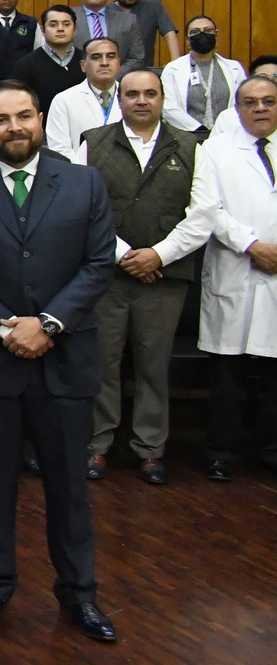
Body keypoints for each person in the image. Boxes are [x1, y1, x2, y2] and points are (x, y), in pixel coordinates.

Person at [0, 82, 119, 641]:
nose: (14, 128)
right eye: (0, 119)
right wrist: (7, 326)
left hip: (65, 358)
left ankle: (80, 595)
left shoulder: (83, 182)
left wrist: (50, 324)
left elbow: (98, 263)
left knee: (68, 485)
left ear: (40, 119)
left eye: (23, 116)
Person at [74, 68, 205, 485]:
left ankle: (151, 450)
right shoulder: (94, 142)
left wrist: (158, 256)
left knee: (153, 365)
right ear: (120, 99)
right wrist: (126, 255)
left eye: (150, 93)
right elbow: (81, 207)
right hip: (106, 277)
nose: (142, 101)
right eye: (132, 94)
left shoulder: (191, 146)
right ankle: (98, 446)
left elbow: (202, 215)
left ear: (163, 98)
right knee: (102, 364)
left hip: (165, 278)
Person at [190, 77, 277, 480]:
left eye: (269, 101)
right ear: (237, 109)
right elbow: (209, 208)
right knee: (227, 371)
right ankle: (221, 452)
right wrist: (251, 245)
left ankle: (271, 449)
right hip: (236, 265)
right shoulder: (215, 150)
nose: (260, 108)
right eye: (250, 102)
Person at [162, 14, 246, 136]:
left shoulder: (234, 68)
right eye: (195, 32)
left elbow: (241, 103)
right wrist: (199, 130)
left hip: (228, 135)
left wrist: (221, 131)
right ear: (187, 40)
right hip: (187, 136)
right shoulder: (172, 69)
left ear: (216, 35)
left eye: (208, 30)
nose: (202, 34)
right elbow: (169, 108)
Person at [45, 38, 124, 157]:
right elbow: (59, 148)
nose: (104, 63)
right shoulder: (63, 100)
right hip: (79, 172)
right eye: (96, 57)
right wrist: (85, 172)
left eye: (111, 56)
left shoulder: (133, 98)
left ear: (119, 63)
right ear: (83, 65)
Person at [14, 7, 86, 106]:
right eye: (53, 25)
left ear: (74, 30)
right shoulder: (27, 65)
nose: (60, 29)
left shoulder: (87, 61)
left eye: (66, 24)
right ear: (43, 30)